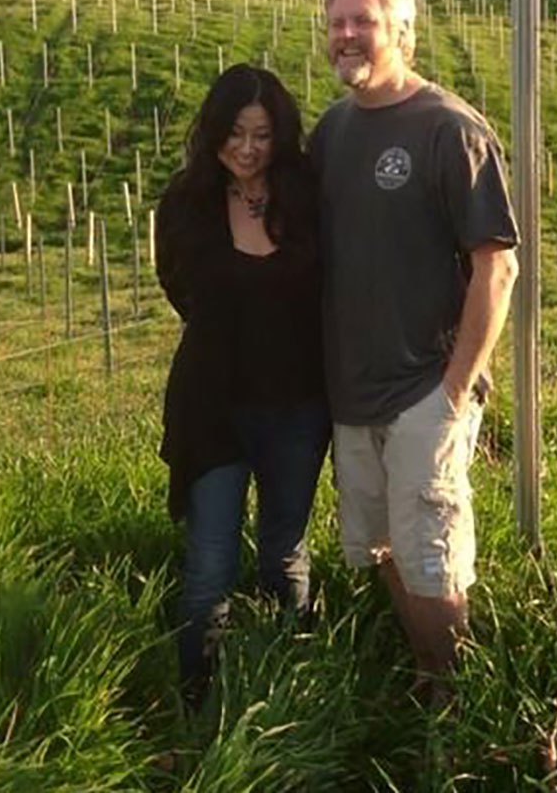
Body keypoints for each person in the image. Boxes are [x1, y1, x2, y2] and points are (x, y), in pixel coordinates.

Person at [309, 0, 519, 697]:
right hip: (351, 389)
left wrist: (455, 389)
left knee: (430, 554)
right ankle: (431, 678)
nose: (346, 36)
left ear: (401, 31)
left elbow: (497, 269)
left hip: (424, 389)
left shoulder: (449, 130)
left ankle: (454, 699)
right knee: (380, 547)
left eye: (362, 22)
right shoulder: (332, 132)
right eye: (336, 23)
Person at [156, 64, 330, 704]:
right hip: (212, 408)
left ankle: (294, 687)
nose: (249, 149)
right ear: (213, 134)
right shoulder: (184, 202)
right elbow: (178, 287)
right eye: (235, 134)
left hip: (299, 407)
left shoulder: (309, 198)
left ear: (280, 137)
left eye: (262, 135)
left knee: (284, 552)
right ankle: (197, 705)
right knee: (209, 567)